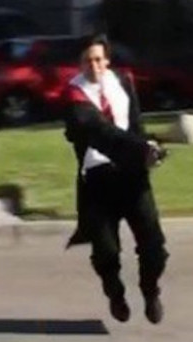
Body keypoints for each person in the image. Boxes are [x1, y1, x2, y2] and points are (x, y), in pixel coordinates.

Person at [63, 34, 169, 324]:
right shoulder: (74, 96)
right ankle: (115, 293)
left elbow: (135, 125)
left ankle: (150, 291)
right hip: (98, 178)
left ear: (107, 60)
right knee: (106, 251)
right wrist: (140, 150)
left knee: (154, 245)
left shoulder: (123, 81)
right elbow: (101, 133)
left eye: (98, 59)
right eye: (87, 61)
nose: (94, 66)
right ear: (79, 64)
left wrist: (150, 149)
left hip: (132, 176)